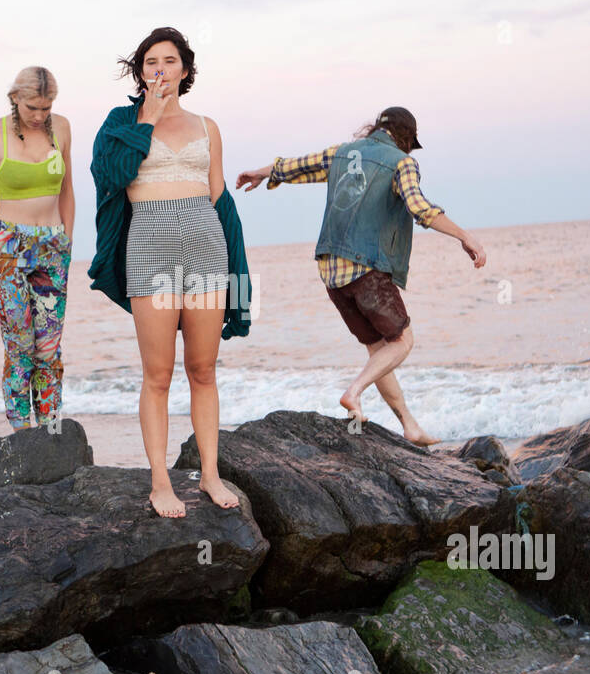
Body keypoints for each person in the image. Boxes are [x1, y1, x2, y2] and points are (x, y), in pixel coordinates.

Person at [237, 106, 486, 446]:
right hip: (365, 267)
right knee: (402, 342)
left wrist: (260, 173)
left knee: (378, 350)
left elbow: (294, 166)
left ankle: (409, 426)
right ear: (406, 138)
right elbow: (419, 208)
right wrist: (464, 236)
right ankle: (354, 392)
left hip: (330, 271)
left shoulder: (342, 153)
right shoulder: (401, 162)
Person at [88, 26, 252, 518]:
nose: (159, 69)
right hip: (149, 248)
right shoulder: (120, 122)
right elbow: (112, 176)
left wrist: (239, 274)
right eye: (150, 62)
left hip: (205, 245)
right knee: (157, 374)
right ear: (140, 73)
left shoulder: (207, 126)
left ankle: (210, 475)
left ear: (185, 70)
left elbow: (220, 198)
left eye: (169, 61)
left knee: (203, 369)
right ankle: (160, 482)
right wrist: (149, 118)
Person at [0, 67, 75, 430]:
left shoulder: (62, 129)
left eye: (46, 107)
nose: (39, 116)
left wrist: (67, 240)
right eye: (32, 107)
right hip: (6, 249)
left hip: (53, 246)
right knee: (20, 346)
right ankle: (21, 432)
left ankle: (51, 429)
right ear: (15, 98)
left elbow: (67, 190)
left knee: (49, 348)